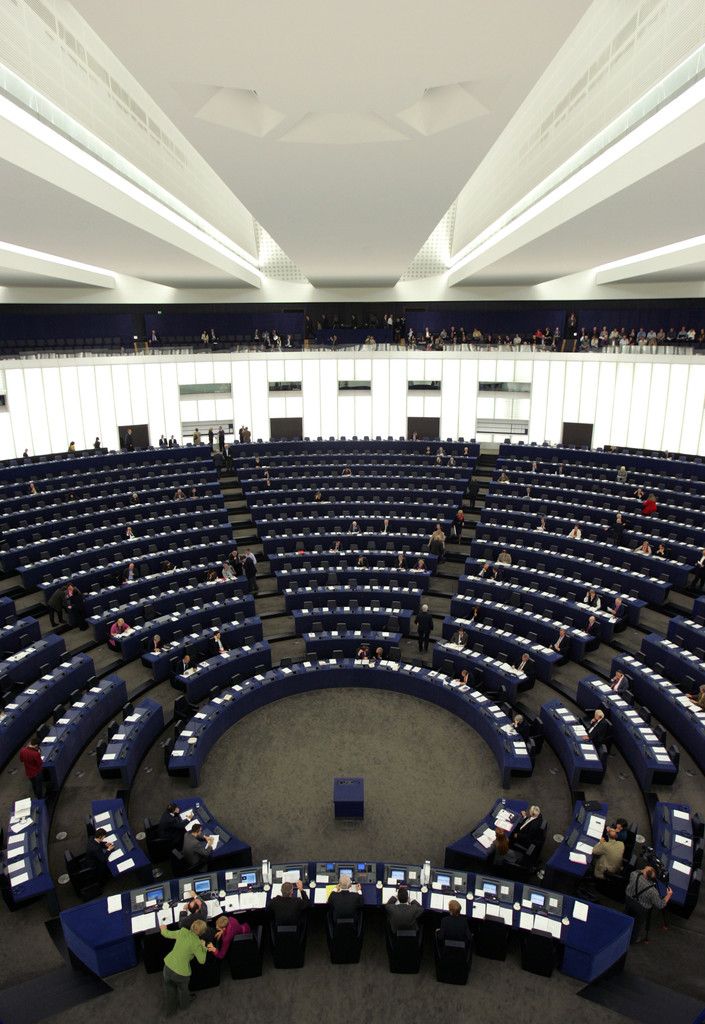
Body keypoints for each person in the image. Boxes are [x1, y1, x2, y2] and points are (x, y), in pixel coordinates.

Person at [160, 919, 208, 1016]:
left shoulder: (182, 931)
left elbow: (166, 934)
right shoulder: (197, 943)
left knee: (169, 989)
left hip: (167, 967)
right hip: (181, 974)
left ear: (192, 926)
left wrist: (163, 929)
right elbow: (202, 961)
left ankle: (170, 1010)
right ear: (202, 932)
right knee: (183, 990)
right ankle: (184, 1006)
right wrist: (204, 947)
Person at [624, 866, 673, 942]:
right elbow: (660, 905)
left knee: (626, 915)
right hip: (641, 908)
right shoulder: (653, 891)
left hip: (629, 900)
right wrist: (669, 895)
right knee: (637, 924)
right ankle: (633, 939)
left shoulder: (633, 875)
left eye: (644, 869)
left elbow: (638, 871)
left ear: (644, 874)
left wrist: (645, 870)